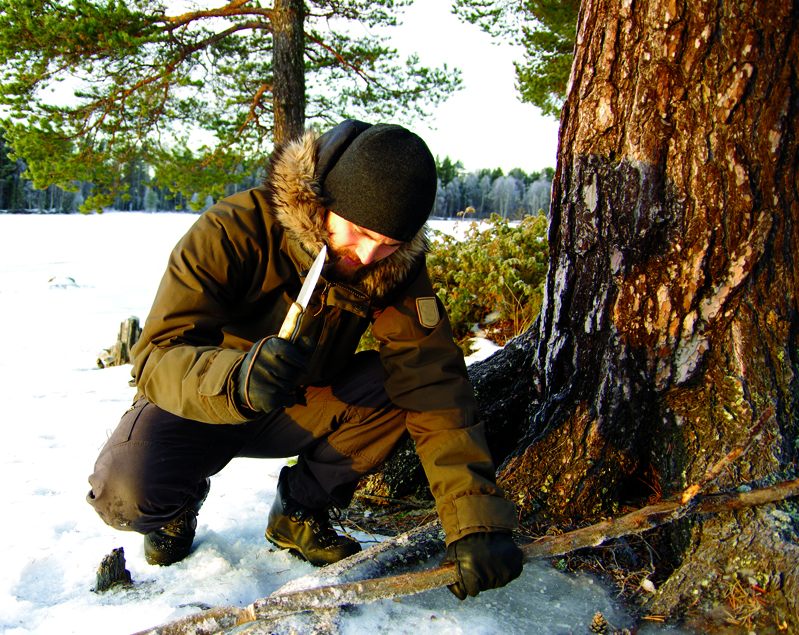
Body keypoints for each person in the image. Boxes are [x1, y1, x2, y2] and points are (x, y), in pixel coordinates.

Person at [86, 120, 523, 599]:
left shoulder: (392, 268)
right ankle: (177, 507)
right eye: (358, 232)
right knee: (124, 492)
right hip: (203, 400)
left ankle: (300, 510)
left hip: (299, 406)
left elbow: (433, 384)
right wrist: (238, 377)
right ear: (326, 202)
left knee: (398, 389)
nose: (370, 255)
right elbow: (155, 356)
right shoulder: (233, 229)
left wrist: (473, 521)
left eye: (390, 244)